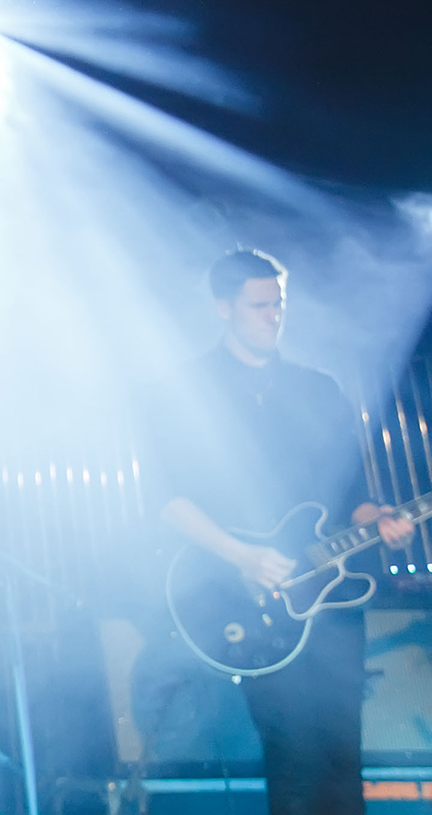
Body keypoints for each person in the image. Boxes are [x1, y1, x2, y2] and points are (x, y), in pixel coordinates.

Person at [154, 249, 413, 815]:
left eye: (279, 304)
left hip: (333, 599)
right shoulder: (185, 390)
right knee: (294, 760)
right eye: (259, 305)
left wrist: (381, 521)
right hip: (247, 598)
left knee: (343, 760)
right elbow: (168, 499)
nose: (273, 316)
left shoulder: (318, 389)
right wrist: (242, 556)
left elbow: (351, 495)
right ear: (223, 308)